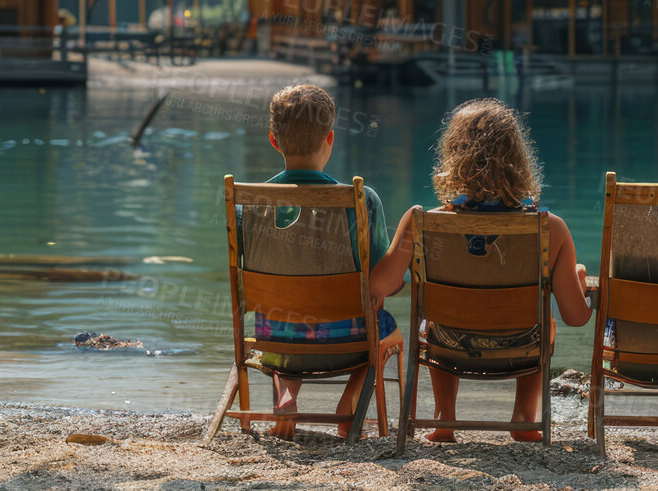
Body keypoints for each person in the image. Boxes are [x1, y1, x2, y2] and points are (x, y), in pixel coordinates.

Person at [369, 97, 592, 442]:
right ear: (519, 159)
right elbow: (576, 318)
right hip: (521, 345)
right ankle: (523, 418)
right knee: (543, 323)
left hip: (449, 345)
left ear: (453, 156)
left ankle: (445, 420)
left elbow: (379, 284)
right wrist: (577, 278)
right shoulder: (553, 229)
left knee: (434, 320)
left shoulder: (421, 222)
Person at [244, 83, 394, 439]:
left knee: (283, 309)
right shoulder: (363, 200)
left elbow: (244, 282)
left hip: (276, 342)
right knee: (382, 319)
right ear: (330, 139)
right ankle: (348, 402)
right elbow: (381, 280)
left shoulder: (249, 203)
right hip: (348, 343)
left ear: (274, 141)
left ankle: (286, 393)